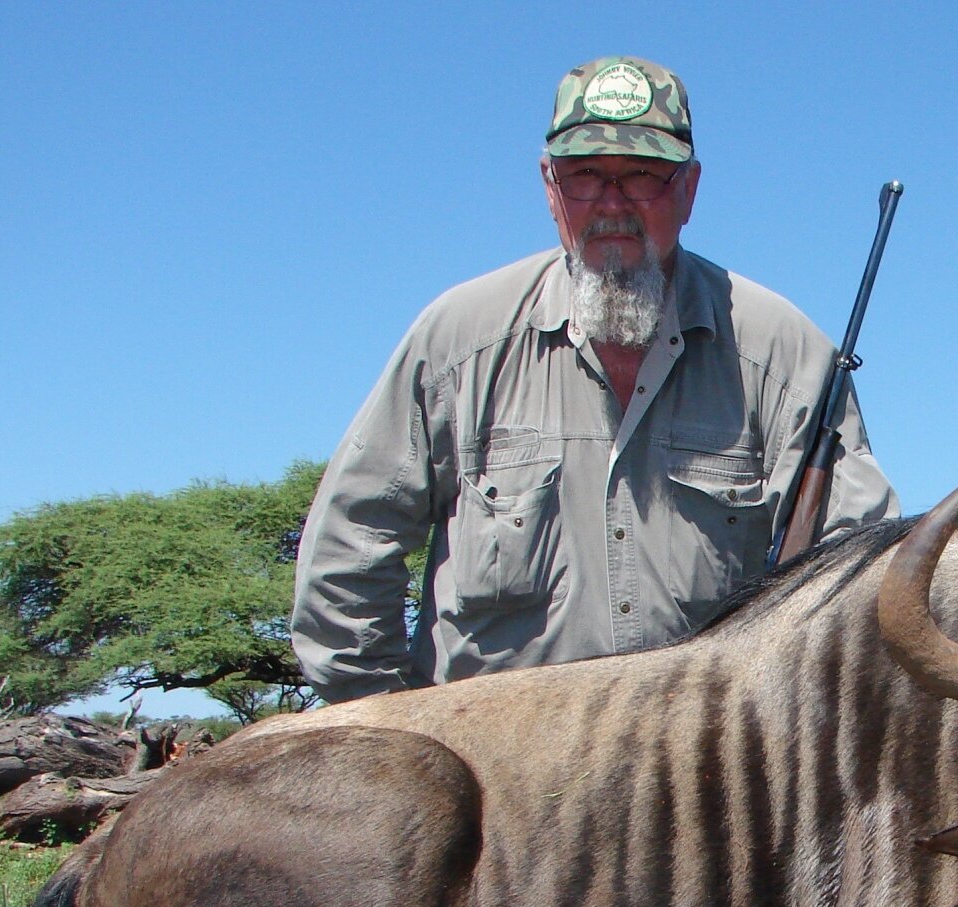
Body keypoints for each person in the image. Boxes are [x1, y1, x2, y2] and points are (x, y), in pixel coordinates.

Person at [291, 56, 899, 703]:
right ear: (549, 188)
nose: (612, 205)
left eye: (643, 177)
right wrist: (389, 739)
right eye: (585, 177)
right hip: (488, 780)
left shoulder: (786, 354)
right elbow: (346, 558)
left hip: (704, 775)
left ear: (688, 190)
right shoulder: (455, 342)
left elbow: (863, 578)